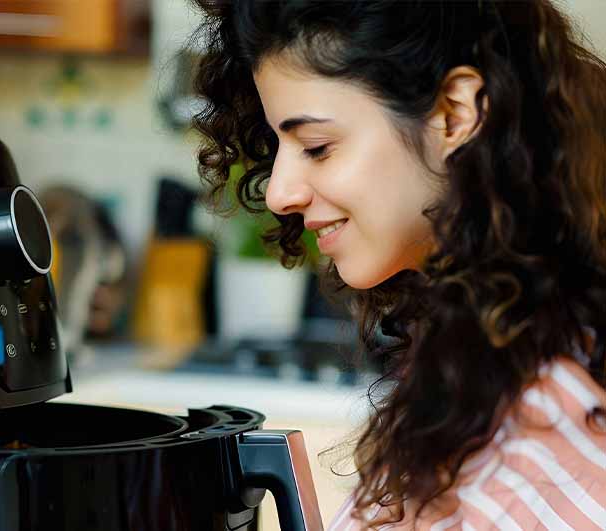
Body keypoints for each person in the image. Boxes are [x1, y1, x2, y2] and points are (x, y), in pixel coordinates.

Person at [190, 0, 606, 529]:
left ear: (455, 115)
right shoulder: (480, 360)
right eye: (278, 147)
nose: (278, 192)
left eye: (317, 147)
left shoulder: (554, 420)